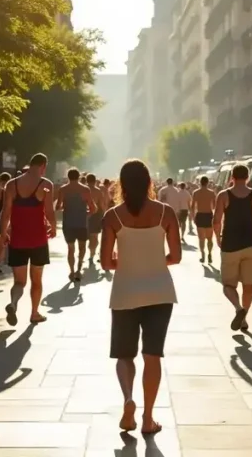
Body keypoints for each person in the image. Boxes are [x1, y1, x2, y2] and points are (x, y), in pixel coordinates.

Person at [100, 160, 180, 436]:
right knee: (152, 355)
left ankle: (127, 400)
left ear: (121, 184)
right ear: (149, 183)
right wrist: (155, 261)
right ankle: (148, 418)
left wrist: (128, 261)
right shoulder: (166, 213)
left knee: (124, 354)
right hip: (160, 291)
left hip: (124, 291)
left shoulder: (113, 217)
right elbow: (177, 256)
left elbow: (106, 263)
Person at [0, 153, 57, 325]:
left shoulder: (11, 185)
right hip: (38, 240)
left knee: (19, 282)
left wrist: (3, 232)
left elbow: (5, 212)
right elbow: (49, 211)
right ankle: (34, 313)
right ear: (43, 166)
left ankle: (13, 303)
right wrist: (53, 227)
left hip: (17, 240)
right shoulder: (46, 185)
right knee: (36, 280)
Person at [213, 164, 252, 332]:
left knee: (228, 285)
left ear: (232, 177)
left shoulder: (223, 195)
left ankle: (238, 308)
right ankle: (244, 317)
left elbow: (216, 221)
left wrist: (218, 237)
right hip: (251, 244)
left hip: (230, 244)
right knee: (248, 284)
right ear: (248, 177)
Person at [55, 168, 96, 282]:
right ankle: (78, 270)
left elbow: (58, 206)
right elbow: (93, 208)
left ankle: (72, 271)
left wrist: (63, 207)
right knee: (82, 248)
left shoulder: (63, 189)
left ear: (68, 177)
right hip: (82, 223)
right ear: (78, 177)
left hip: (68, 223)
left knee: (70, 249)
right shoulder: (85, 189)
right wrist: (87, 213)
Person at [191, 176, 217, 263]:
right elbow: (214, 206)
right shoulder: (211, 193)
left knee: (201, 238)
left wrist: (193, 216)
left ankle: (203, 255)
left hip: (200, 215)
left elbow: (193, 206)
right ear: (208, 183)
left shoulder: (196, 193)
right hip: (209, 215)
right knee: (210, 238)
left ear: (200, 182)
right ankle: (210, 253)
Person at [86, 173, 109, 264]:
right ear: (95, 181)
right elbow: (102, 205)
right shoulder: (98, 191)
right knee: (94, 236)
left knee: (84, 237)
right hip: (96, 215)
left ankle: (89, 252)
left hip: (83, 215)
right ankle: (92, 254)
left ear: (87, 180)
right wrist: (104, 214)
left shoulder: (82, 190)